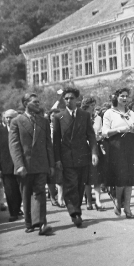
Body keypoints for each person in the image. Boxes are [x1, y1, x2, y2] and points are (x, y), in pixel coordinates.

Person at [9, 93, 54, 235]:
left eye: (38, 102)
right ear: (26, 104)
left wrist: (51, 164)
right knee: (26, 194)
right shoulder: (16, 121)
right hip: (25, 165)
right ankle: (29, 223)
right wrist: (19, 164)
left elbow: (48, 144)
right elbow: (14, 145)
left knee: (40, 193)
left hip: (41, 164)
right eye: (35, 102)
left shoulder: (43, 121)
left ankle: (41, 223)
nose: (38, 105)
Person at [52, 88, 98, 228]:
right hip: (67, 157)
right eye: (66, 98)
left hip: (83, 156)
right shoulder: (58, 117)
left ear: (77, 99)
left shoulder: (84, 115)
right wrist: (58, 159)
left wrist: (94, 153)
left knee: (80, 185)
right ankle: (75, 213)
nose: (68, 101)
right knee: (70, 185)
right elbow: (56, 140)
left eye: (71, 98)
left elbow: (91, 135)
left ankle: (76, 210)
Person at [102, 88, 134, 219]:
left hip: (130, 145)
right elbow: (105, 132)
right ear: (116, 98)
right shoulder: (109, 113)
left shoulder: (132, 113)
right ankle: (118, 201)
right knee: (120, 177)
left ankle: (128, 208)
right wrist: (120, 129)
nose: (124, 99)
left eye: (126, 96)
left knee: (130, 177)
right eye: (122, 96)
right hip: (116, 146)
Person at [0, 110, 23, 221]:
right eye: (6, 117)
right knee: (9, 190)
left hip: (19, 165)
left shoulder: (21, 129)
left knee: (19, 190)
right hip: (5, 166)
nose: (8, 119)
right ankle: (13, 213)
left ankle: (17, 208)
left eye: (11, 117)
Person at [82, 98, 106, 211]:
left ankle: (98, 201)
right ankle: (88, 200)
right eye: (91, 105)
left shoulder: (98, 118)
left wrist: (98, 136)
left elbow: (100, 132)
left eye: (94, 105)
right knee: (87, 177)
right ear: (85, 106)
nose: (93, 107)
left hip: (95, 147)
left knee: (97, 176)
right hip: (84, 149)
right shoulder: (80, 117)